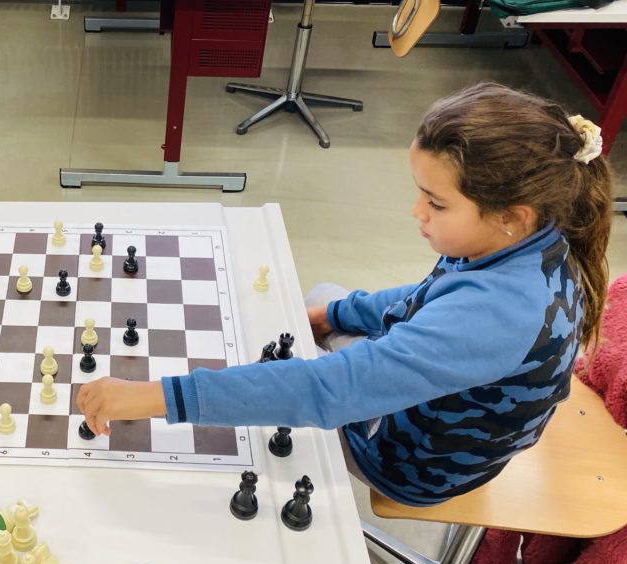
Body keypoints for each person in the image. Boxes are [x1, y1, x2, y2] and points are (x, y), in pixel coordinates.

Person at [77, 82, 613, 506]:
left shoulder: (497, 315)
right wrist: (333, 314)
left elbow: (327, 391)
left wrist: (155, 397)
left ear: (510, 215)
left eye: (436, 203)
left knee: (255, 424)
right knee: (322, 300)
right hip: (452, 414)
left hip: (413, 466)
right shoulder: (528, 239)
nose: (416, 212)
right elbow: (428, 295)